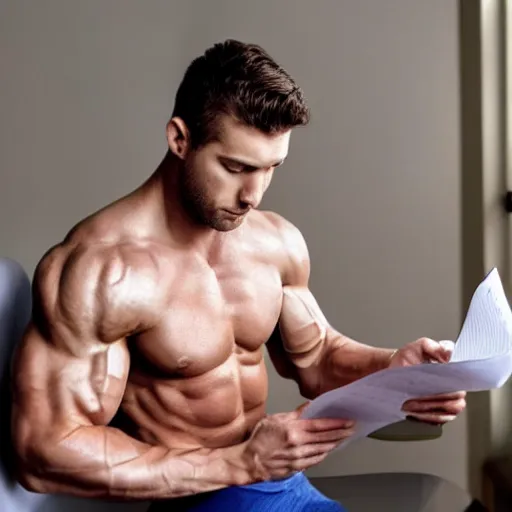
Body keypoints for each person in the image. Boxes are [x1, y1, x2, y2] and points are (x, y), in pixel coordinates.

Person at [10, 39, 466, 511]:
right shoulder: (101, 271)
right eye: (236, 168)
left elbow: (316, 359)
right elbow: (42, 451)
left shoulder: (274, 242)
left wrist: (394, 370)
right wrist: (240, 464)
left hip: (290, 490)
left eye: (271, 168)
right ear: (179, 139)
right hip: (201, 500)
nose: (254, 195)